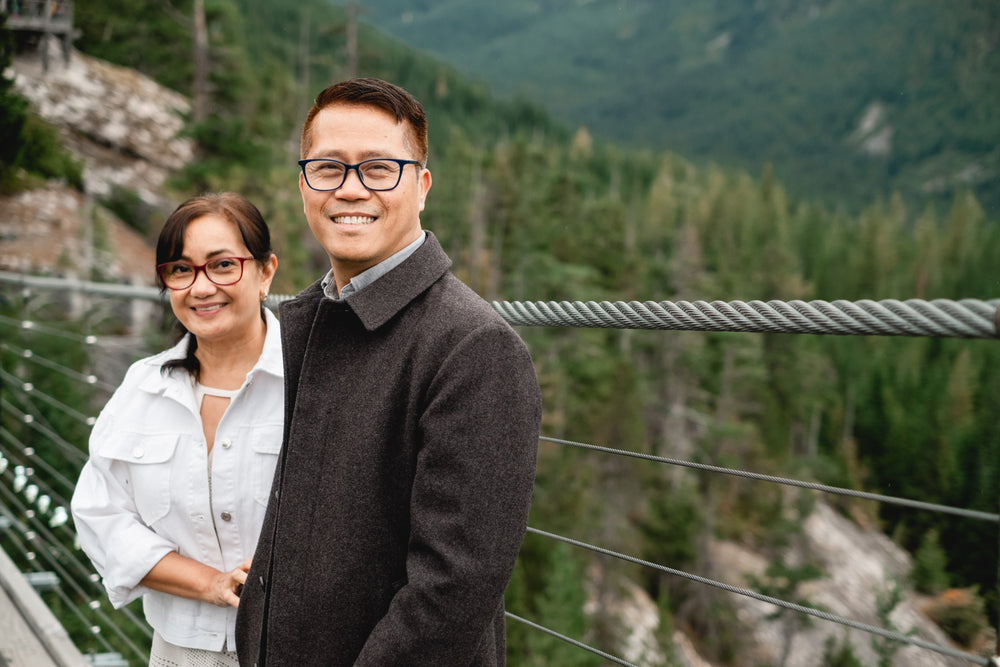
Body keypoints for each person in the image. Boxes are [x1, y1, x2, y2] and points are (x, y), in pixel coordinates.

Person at [235, 78, 542, 666]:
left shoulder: (474, 349)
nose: (351, 189)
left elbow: (453, 591)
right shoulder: (298, 326)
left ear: (421, 186)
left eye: (379, 168)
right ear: (304, 183)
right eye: (328, 168)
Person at [71, 192, 282, 667]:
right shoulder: (142, 388)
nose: (201, 287)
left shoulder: (315, 385)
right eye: (181, 270)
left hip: (298, 648)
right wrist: (208, 583)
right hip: (181, 652)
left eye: (223, 265)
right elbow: (99, 512)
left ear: (267, 271)